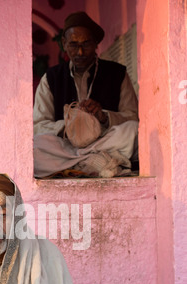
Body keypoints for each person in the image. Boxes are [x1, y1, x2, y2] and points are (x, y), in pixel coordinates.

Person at [33, 11, 139, 178]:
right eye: (74, 45)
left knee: (134, 131)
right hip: (65, 146)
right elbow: (38, 125)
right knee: (35, 146)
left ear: (96, 43)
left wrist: (103, 117)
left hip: (103, 142)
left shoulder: (117, 73)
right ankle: (93, 162)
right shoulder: (51, 78)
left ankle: (80, 163)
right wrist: (68, 126)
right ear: (64, 43)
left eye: (86, 44)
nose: (80, 52)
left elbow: (132, 116)